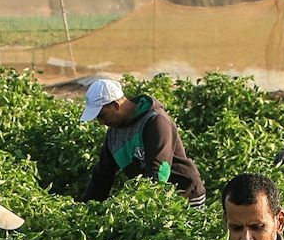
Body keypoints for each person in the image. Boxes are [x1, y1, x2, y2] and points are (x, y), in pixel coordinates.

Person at [75, 77, 206, 207]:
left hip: (185, 194)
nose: (101, 122)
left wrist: (141, 205)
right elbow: (103, 174)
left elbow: (159, 169)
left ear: (116, 105)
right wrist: (85, 207)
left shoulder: (155, 120)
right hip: (153, 197)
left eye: (101, 115)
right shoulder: (113, 134)